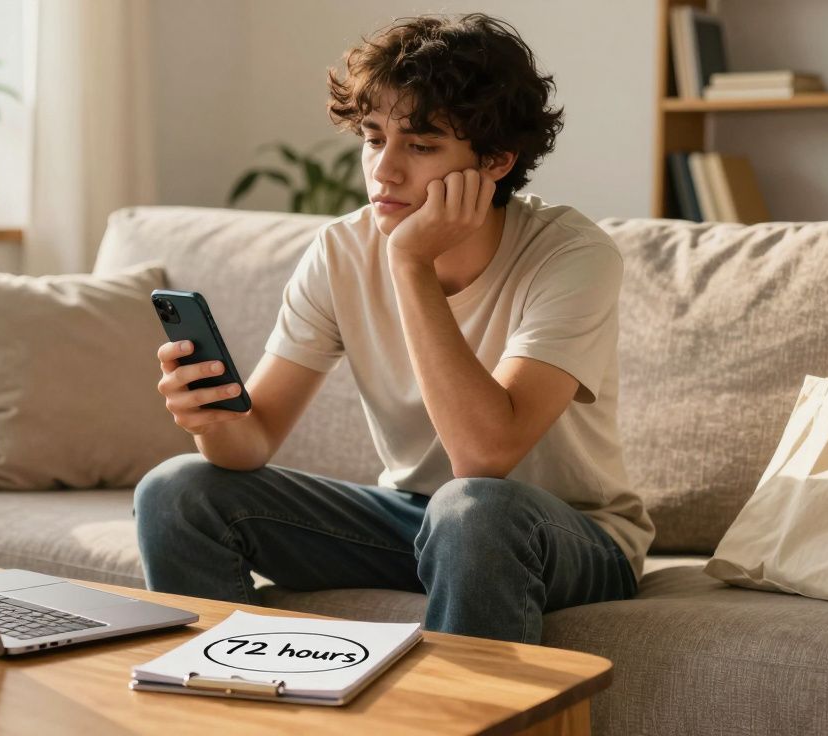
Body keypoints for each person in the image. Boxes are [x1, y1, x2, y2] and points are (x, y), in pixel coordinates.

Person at [133, 13, 653, 644]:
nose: (384, 171)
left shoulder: (572, 254)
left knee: (474, 511)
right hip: (417, 519)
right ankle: (221, 700)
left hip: (566, 533)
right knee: (177, 491)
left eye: (422, 144)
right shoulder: (340, 251)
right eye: (375, 138)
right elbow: (254, 441)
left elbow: (484, 457)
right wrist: (210, 420)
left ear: (494, 161)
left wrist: (411, 264)